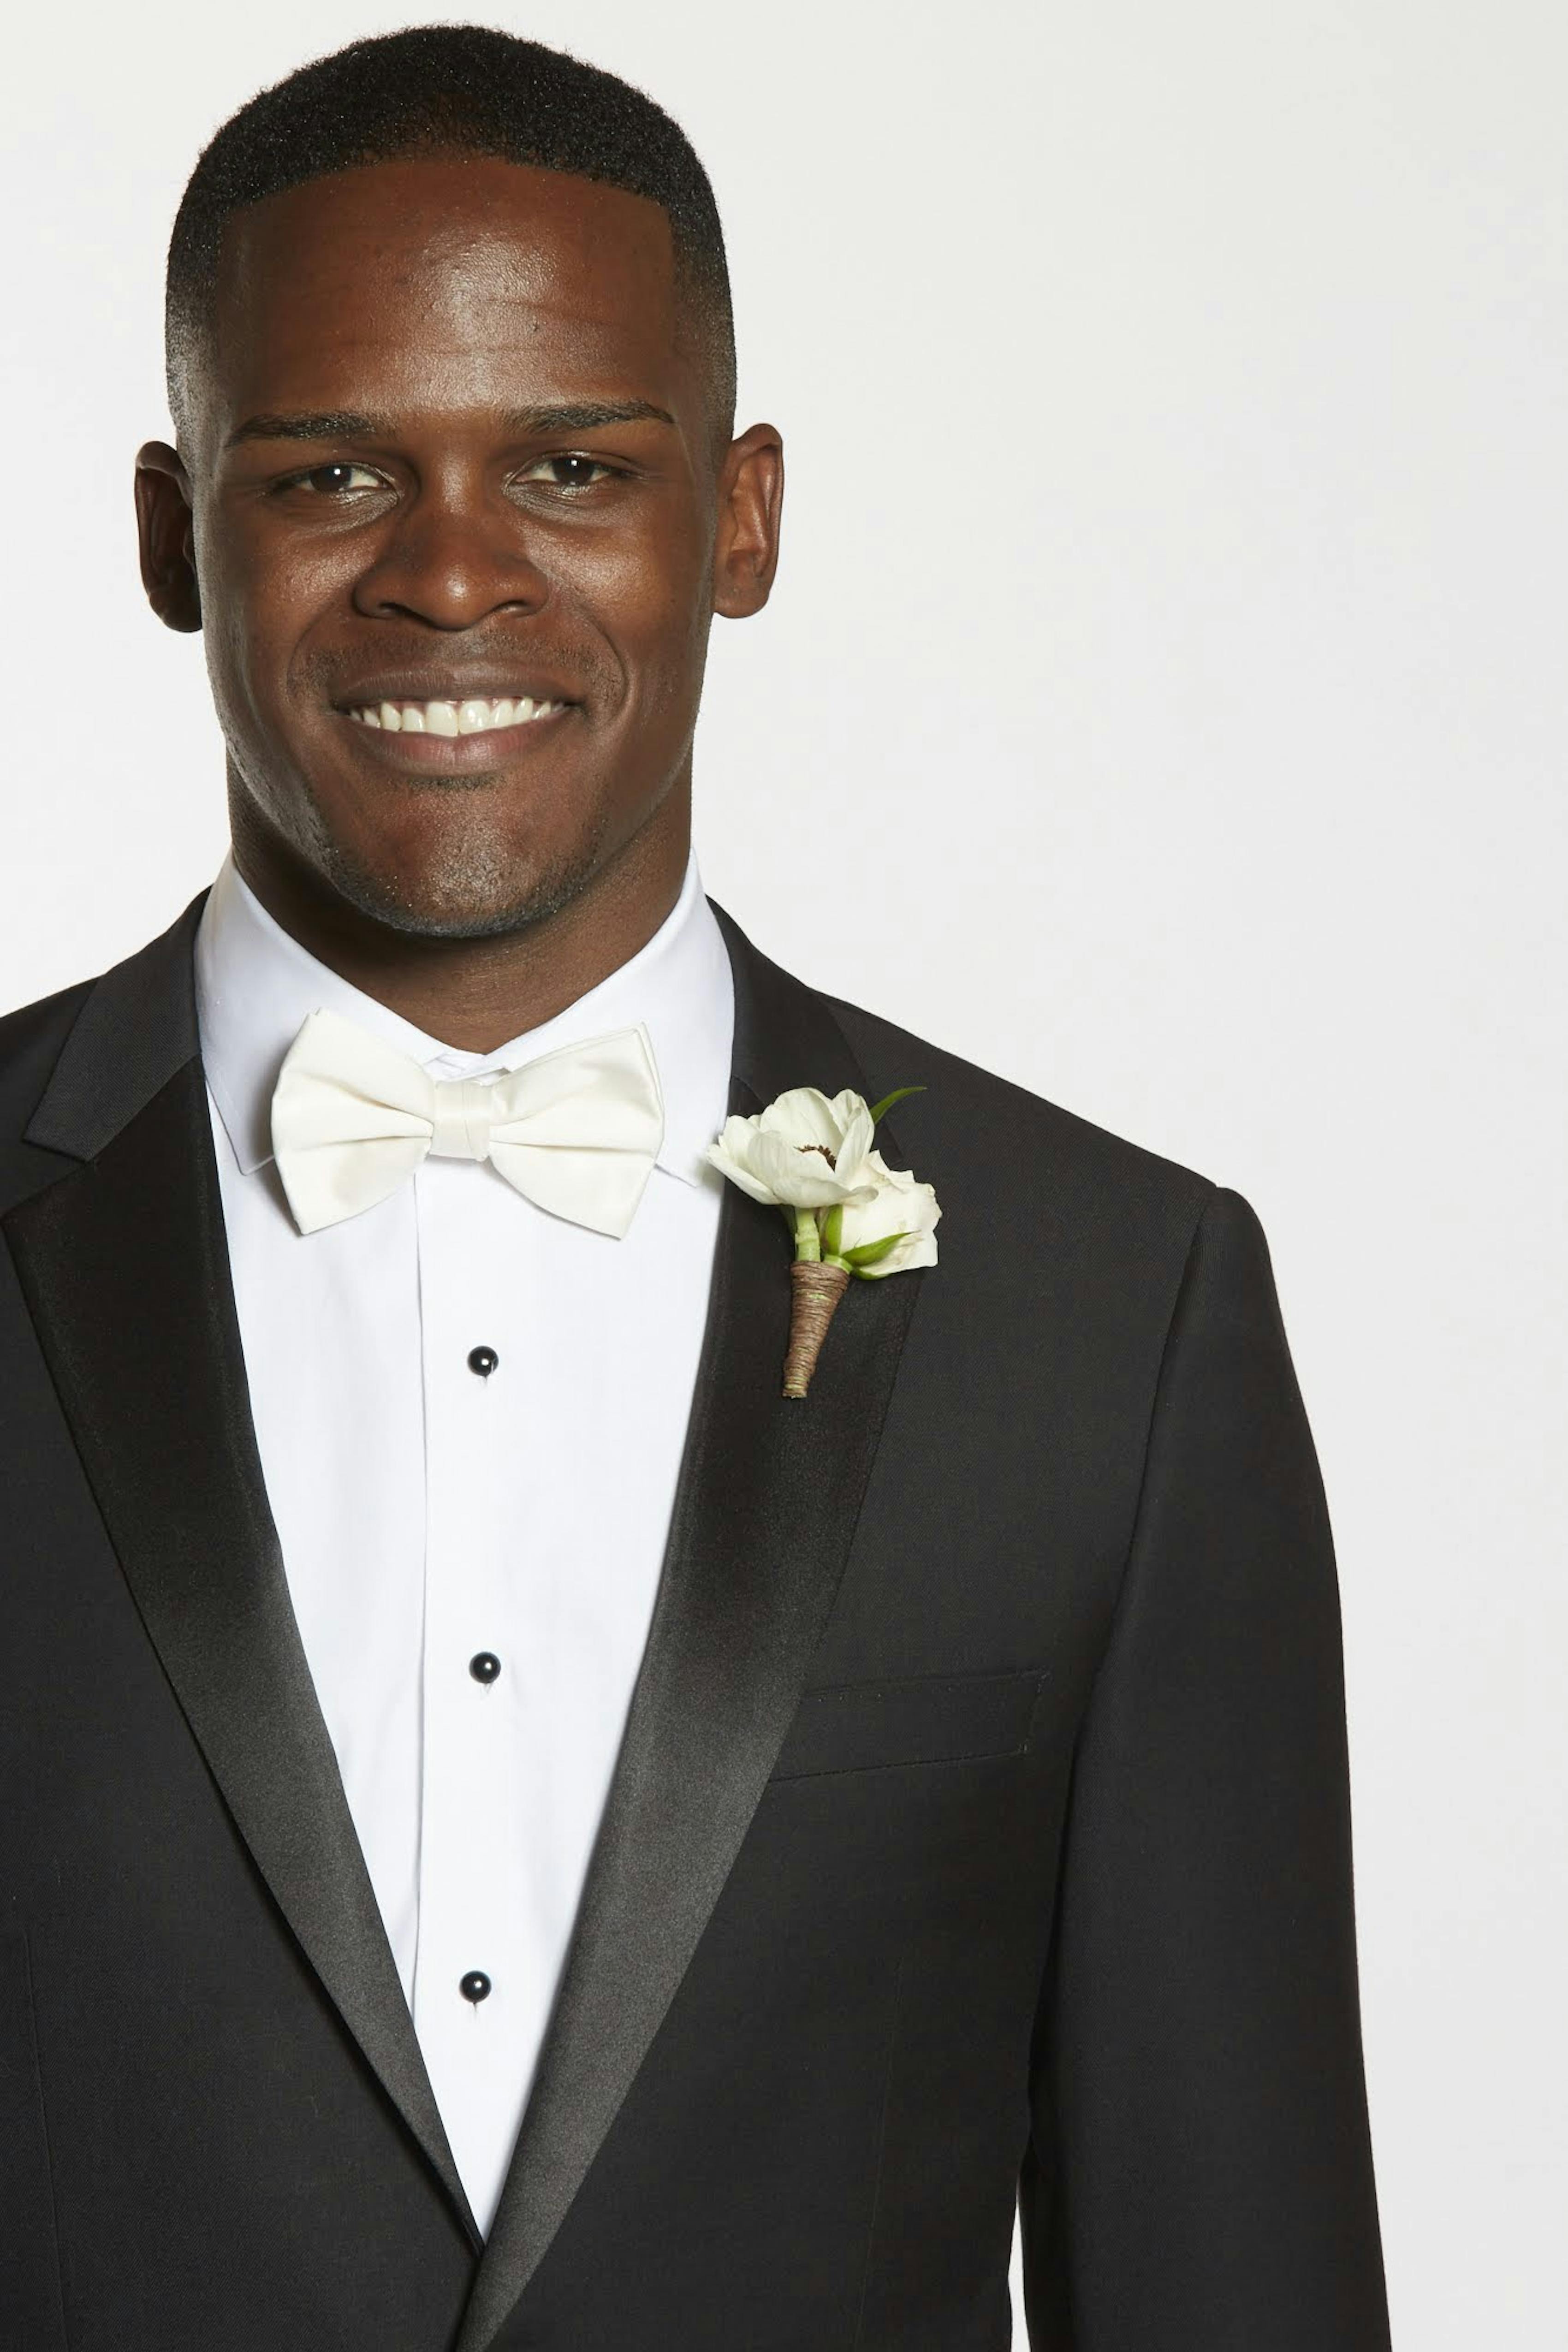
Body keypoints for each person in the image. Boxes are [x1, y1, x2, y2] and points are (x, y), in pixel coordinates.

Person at [0, 24, 1392, 2351]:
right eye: (335, 475)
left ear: (738, 518)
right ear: (173, 536)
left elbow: (1230, 2271)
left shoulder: (1116, 1310)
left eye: (568, 464)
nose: (453, 579)